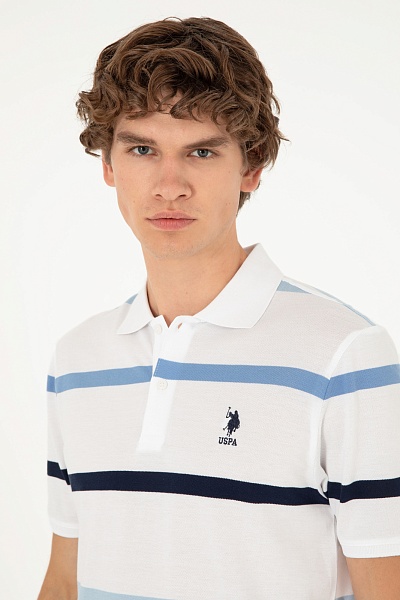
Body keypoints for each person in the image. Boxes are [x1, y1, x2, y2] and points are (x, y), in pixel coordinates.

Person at [38, 16, 400, 600]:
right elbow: (63, 582)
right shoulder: (77, 360)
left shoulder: (344, 356)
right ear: (108, 165)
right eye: (141, 149)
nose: (169, 184)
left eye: (202, 151)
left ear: (251, 167)